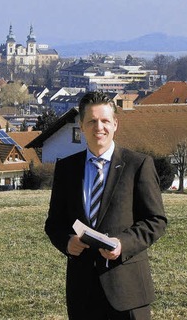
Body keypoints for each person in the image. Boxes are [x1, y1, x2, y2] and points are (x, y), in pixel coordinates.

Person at [45, 91, 167, 319]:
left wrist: (123, 245)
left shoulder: (138, 165)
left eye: (105, 121)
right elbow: (54, 223)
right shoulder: (66, 169)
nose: (98, 127)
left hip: (128, 291)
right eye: (91, 121)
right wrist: (66, 242)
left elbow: (156, 221)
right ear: (81, 126)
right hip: (82, 292)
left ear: (115, 124)